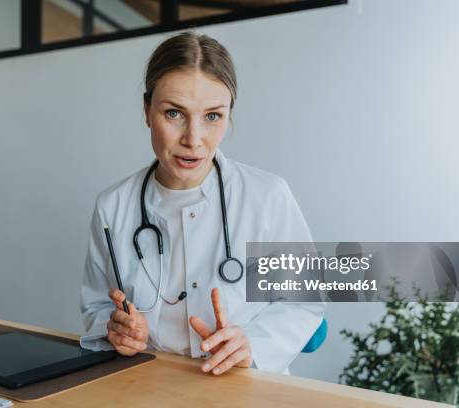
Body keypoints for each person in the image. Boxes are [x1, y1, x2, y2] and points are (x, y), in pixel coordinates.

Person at [80, 31, 325, 375]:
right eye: (174, 113)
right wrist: (117, 329)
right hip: (148, 383)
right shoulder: (112, 207)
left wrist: (251, 344)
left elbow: (304, 306)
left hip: (242, 386)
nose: (193, 139)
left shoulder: (267, 197)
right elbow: (96, 307)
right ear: (147, 110)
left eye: (212, 116)